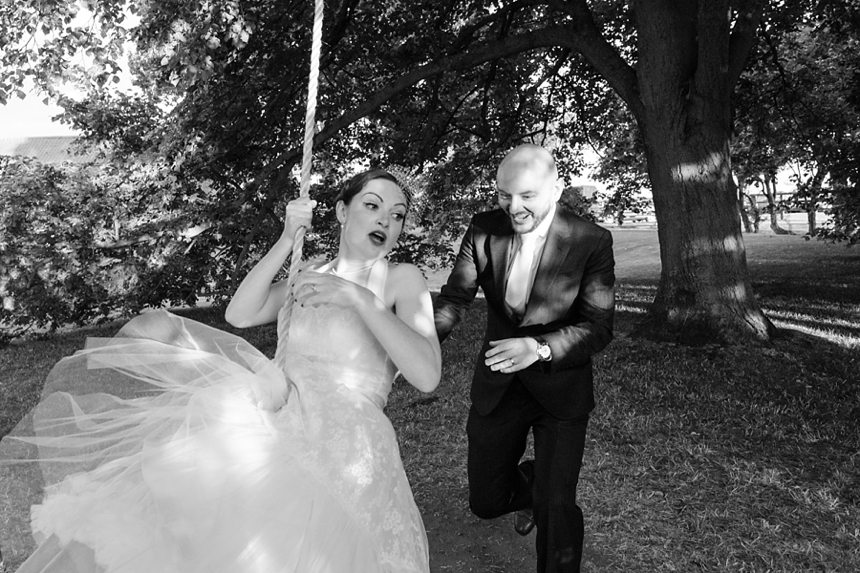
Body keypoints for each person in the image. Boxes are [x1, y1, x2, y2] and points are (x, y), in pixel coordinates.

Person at [0, 168, 441, 573]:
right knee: (219, 525)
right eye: (372, 205)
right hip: (286, 417)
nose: (386, 219)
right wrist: (288, 240)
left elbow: (427, 376)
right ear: (343, 211)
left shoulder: (401, 279)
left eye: (398, 214)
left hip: (351, 444)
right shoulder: (311, 272)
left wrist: (360, 299)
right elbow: (240, 313)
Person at [434, 144, 615, 573]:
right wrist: (418, 342)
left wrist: (539, 347)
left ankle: (548, 500)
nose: (513, 207)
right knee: (485, 501)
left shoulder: (591, 240)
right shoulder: (483, 229)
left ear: (556, 188)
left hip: (561, 391)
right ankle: (531, 483)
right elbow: (455, 300)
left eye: (527, 196)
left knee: (557, 507)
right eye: (503, 194)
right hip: (499, 385)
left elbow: (598, 327)